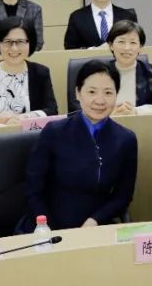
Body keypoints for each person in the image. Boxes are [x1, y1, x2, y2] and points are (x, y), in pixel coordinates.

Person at [25, 60, 138, 231]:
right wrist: (46, 225)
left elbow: (122, 196)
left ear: (117, 95)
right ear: (78, 93)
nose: (100, 101)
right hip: (48, 227)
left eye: (108, 93)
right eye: (91, 92)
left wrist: (95, 220)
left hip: (96, 226)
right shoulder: (54, 132)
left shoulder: (126, 139)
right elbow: (33, 189)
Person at [0, 17, 57, 129]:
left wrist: (20, 118)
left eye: (20, 42)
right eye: (7, 42)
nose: (14, 48)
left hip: (31, 136)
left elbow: (52, 111)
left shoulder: (41, 73)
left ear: (30, 44)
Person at [102, 20, 152, 115]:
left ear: (140, 47)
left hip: (140, 123)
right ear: (111, 45)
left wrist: (137, 111)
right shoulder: (100, 72)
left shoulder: (150, 71)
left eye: (133, 42)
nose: (127, 48)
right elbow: (85, 106)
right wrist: (108, 113)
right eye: (121, 42)